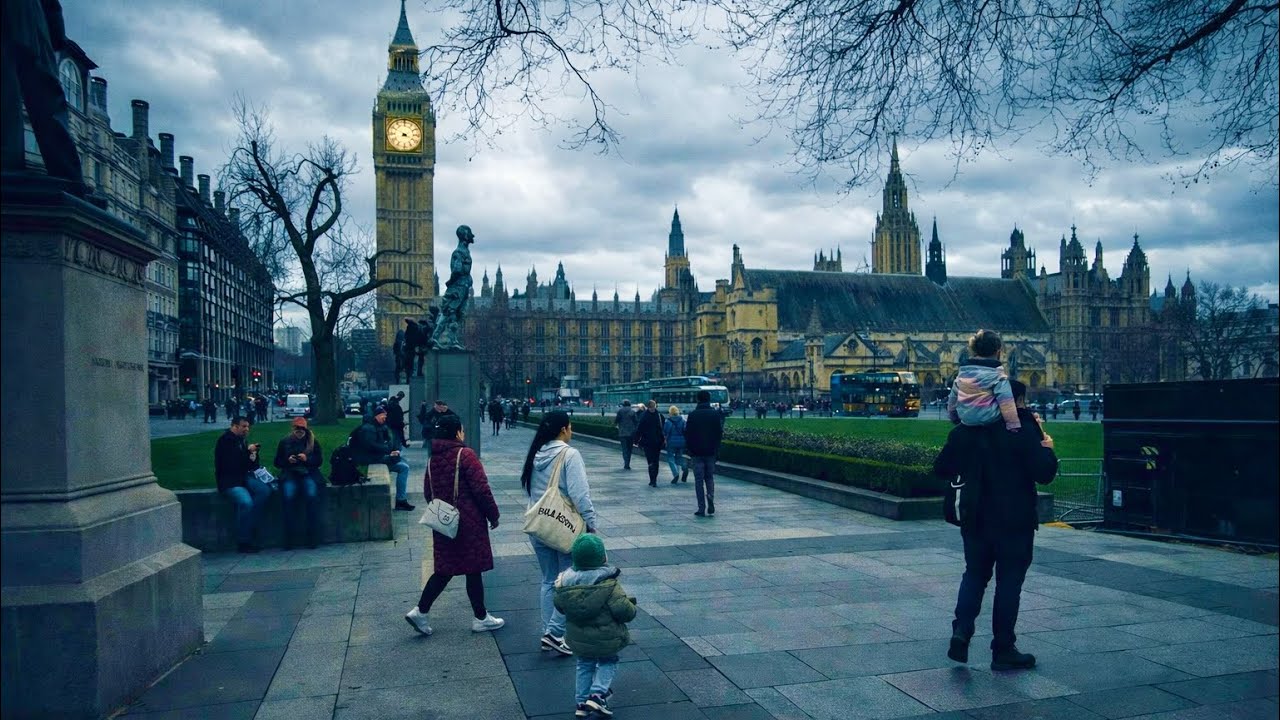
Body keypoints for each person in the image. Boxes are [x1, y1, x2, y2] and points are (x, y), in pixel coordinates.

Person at [934, 379, 1057, 671]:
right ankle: (1003, 649)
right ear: (1015, 402)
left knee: (974, 575)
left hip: (975, 517)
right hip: (1015, 520)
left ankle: (961, 631)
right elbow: (1045, 473)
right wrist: (1048, 447)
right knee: (1009, 583)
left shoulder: (966, 431)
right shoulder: (1025, 429)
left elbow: (940, 468)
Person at [405, 415, 505, 636]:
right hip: (469, 522)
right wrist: (493, 515)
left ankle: (420, 611)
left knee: (444, 569)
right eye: (462, 428)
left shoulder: (433, 459)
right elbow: (481, 489)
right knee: (473, 568)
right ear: (457, 432)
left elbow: (428, 492)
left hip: (443, 523)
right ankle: (480, 618)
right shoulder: (465, 454)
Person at [520, 411, 599, 657]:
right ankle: (554, 633)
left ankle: (549, 632)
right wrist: (591, 523)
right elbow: (580, 494)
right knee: (570, 581)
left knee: (548, 580)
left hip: (539, 525)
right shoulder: (569, 454)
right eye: (570, 427)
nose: (571, 432)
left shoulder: (536, 453)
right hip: (564, 527)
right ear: (564, 429)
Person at [554, 534, 636, 720]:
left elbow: (559, 606)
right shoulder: (608, 584)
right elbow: (624, 611)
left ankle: (582, 703)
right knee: (608, 661)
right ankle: (598, 694)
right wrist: (632, 607)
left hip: (579, 638)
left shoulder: (563, 584)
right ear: (602, 558)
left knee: (584, 665)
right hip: (606, 637)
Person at [214, 416, 271, 553]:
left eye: (248, 427)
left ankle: (251, 522)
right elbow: (230, 464)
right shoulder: (225, 441)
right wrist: (247, 452)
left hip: (243, 477)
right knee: (246, 503)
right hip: (229, 481)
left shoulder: (242, 440)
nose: (247, 429)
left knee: (264, 491)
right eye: (243, 426)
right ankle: (243, 540)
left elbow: (249, 465)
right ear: (234, 426)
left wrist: (253, 455)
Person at [947, 329, 1020, 432]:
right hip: (990, 423)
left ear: (973, 350)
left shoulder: (962, 374)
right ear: (998, 352)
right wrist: (1013, 425)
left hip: (966, 421)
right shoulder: (998, 377)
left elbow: (953, 399)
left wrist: (953, 417)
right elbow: (1006, 403)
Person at [350, 405, 415, 511]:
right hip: (369, 459)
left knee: (403, 464)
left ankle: (401, 500)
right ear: (377, 416)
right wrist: (388, 452)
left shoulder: (382, 426)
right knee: (402, 466)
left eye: (385, 416)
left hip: (378, 456)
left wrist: (392, 450)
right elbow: (370, 446)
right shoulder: (368, 429)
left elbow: (389, 442)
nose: (385, 418)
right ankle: (401, 501)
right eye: (383, 416)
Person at [273, 417, 323, 549]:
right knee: (288, 497)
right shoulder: (284, 442)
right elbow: (277, 462)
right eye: (297, 428)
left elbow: (319, 460)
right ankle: (289, 537)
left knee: (312, 496)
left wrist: (306, 459)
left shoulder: (312, 442)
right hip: (290, 473)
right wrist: (287, 460)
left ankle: (312, 536)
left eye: (302, 429)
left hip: (307, 473)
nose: (299, 431)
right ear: (293, 428)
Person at [685, 390, 724, 517]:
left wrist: (690, 449)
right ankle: (710, 495)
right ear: (709, 399)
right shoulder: (715, 414)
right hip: (711, 452)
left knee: (698, 480)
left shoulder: (693, 415)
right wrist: (716, 449)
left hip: (696, 452)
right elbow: (719, 433)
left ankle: (701, 508)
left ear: (698, 399)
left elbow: (688, 434)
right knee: (709, 477)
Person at [634, 400, 665, 487]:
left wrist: (636, 441)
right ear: (655, 406)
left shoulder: (644, 415)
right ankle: (654, 479)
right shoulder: (659, 415)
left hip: (647, 442)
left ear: (647, 406)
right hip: (658, 442)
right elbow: (663, 427)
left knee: (650, 461)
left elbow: (639, 429)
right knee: (656, 460)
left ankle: (652, 480)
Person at [664, 405, 688, 484]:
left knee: (671, 458)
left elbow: (665, 432)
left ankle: (675, 474)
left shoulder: (668, 421)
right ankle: (684, 467)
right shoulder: (682, 420)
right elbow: (685, 430)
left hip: (671, 442)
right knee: (679, 457)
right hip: (681, 442)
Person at [612, 400, 639, 470]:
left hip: (622, 433)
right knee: (629, 449)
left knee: (624, 449)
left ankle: (626, 463)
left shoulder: (620, 411)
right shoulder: (633, 412)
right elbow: (636, 422)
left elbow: (616, 421)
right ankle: (628, 463)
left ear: (623, 405)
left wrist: (614, 425)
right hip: (631, 433)